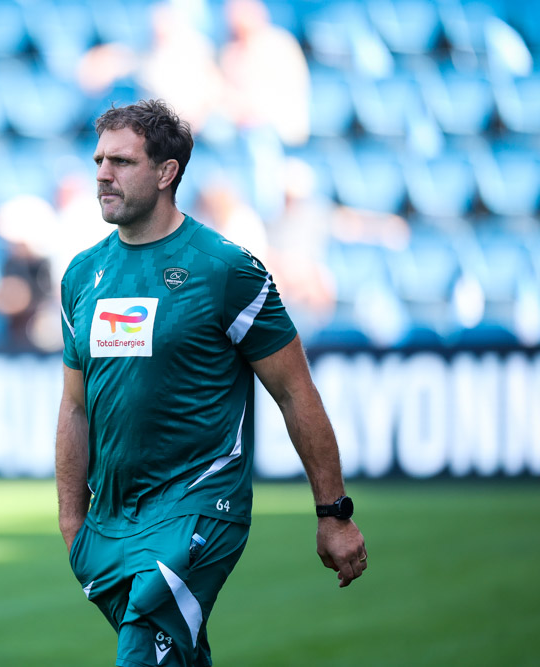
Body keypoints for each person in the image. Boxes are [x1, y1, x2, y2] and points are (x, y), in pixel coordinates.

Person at [56, 100, 367, 667]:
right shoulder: (81, 275)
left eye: (121, 161)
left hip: (199, 508)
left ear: (166, 171)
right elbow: (75, 408)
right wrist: (72, 519)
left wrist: (334, 514)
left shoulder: (225, 269)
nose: (102, 173)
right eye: (99, 159)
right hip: (109, 523)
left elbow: (296, 392)